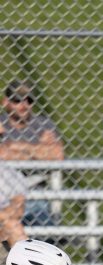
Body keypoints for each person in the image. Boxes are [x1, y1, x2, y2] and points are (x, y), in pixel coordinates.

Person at [0, 79, 64, 228]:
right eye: (17, 100)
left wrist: (15, 146)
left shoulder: (43, 123)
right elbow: (2, 154)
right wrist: (38, 150)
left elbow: (57, 155)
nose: (24, 105)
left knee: (42, 226)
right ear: (5, 102)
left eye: (28, 100)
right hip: (4, 196)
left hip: (34, 195)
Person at [0, 164, 27, 250]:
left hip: (3, 224)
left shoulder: (3, 169)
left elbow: (18, 208)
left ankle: (24, 261)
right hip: (4, 218)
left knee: (14, 226)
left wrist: (4, 217)